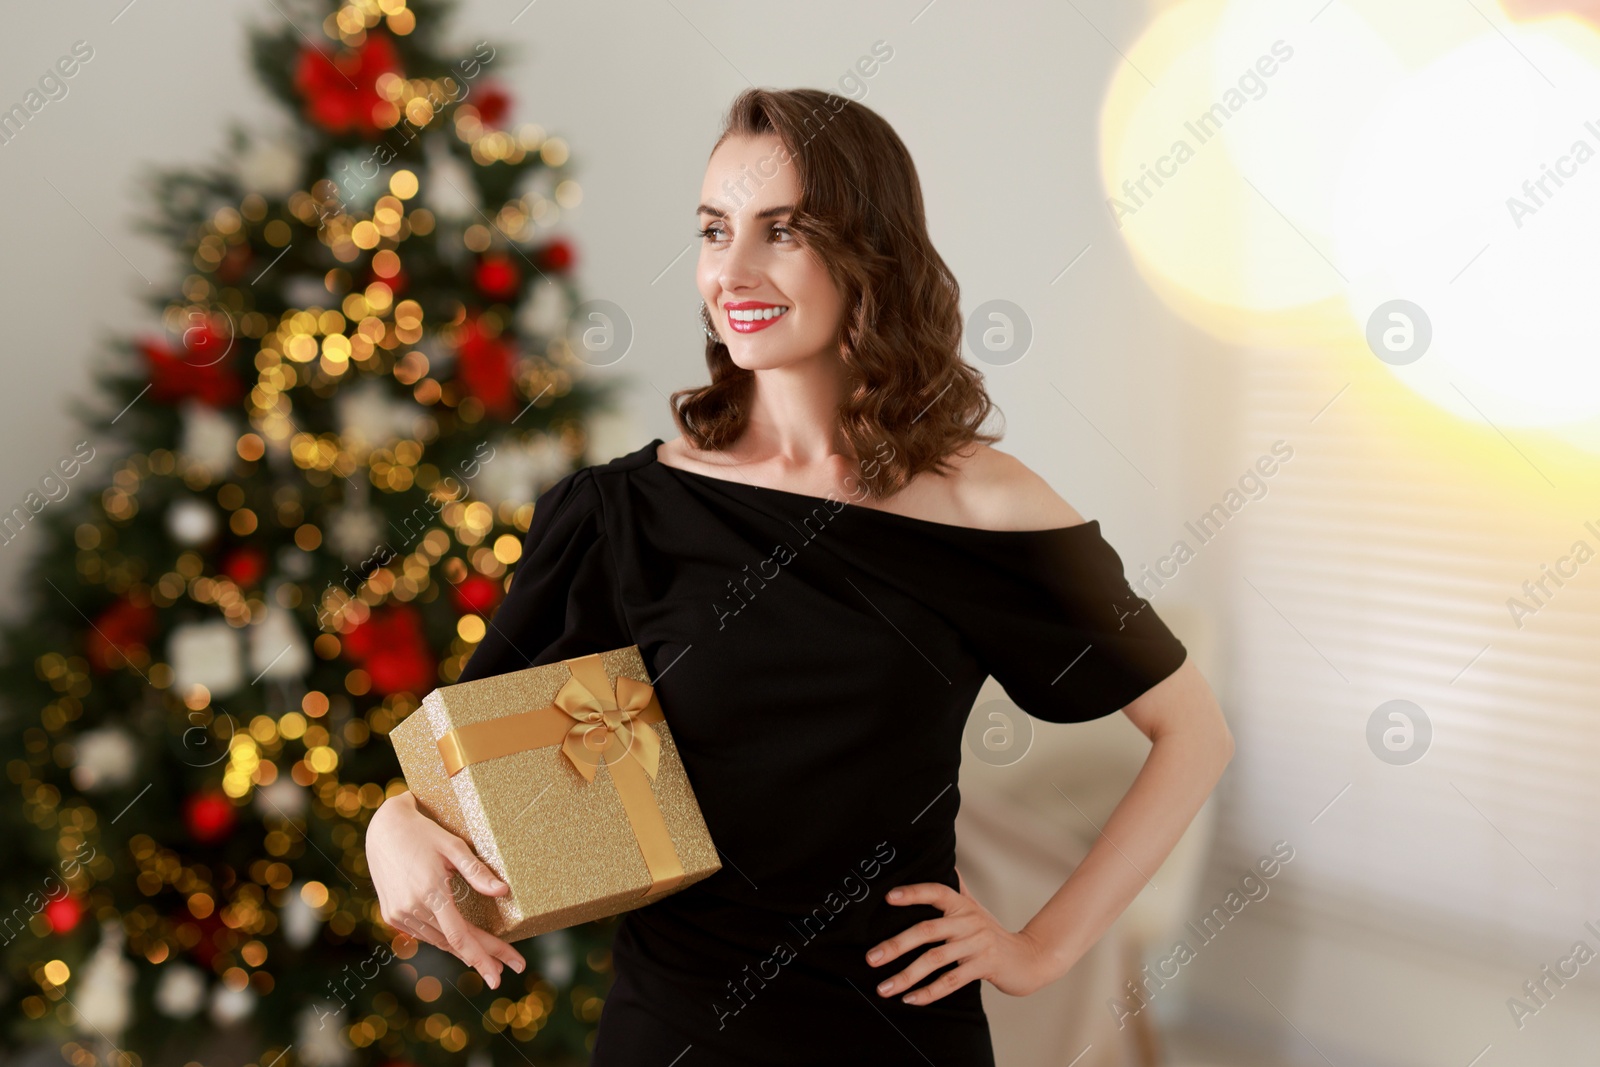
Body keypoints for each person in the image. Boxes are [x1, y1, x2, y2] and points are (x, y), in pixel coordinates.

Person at [365, 86, 1233, 1065]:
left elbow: (1191, 731)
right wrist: (390, 822)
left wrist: (1040, 947)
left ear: (870, 251)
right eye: (712, 229)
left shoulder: (986, 508)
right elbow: (467, 763)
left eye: (780, 231)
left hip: (895, 1034)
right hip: (672, 1030)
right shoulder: (620, 514)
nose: (729, 270)